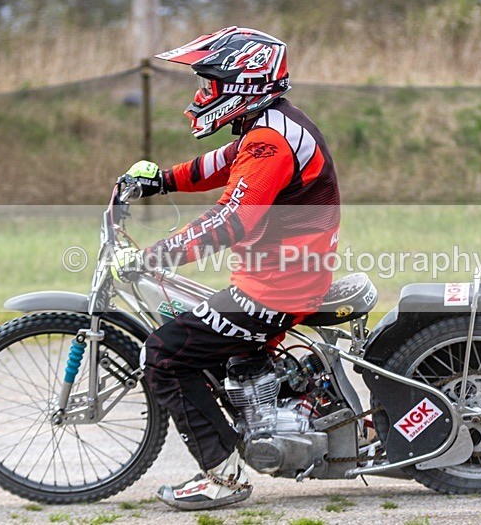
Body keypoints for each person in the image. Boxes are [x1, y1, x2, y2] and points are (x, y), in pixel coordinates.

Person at [118, 26, 341, 510]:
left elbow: (232, 219)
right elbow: (216, 167)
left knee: (164, 353)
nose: (200, 97)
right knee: (200, 339)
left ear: (243, 83)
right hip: (278, 276)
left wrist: (162, 252)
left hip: (279, 287)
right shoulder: (268, 127)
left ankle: (222, 476)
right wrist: (159, 180)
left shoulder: (271, 143)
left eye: (209, 86)